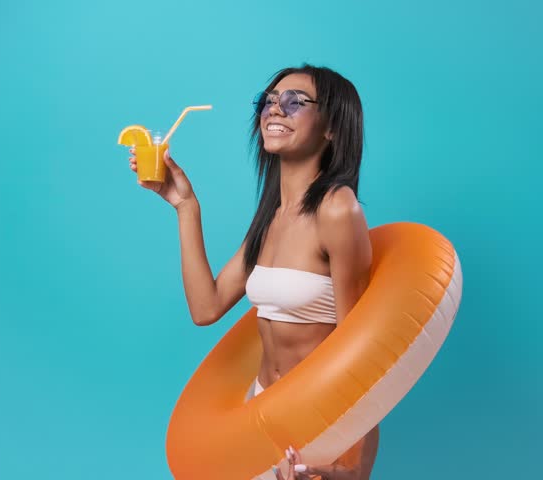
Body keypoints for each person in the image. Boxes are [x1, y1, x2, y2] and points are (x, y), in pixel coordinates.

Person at [127, 64, 379, 480]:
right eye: (268, 101)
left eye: (294, 102)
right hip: (260, 412)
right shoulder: (271, 218)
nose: (274, 110)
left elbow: (364, 354)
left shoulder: (338, 209)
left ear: (332, 126)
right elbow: (205, 308)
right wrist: (186, 206)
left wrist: (354, 470)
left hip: (317, 422)